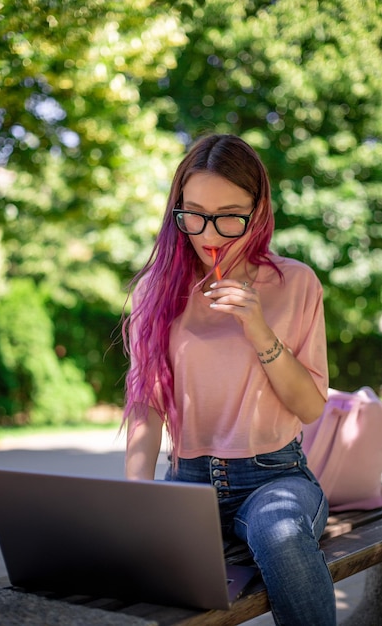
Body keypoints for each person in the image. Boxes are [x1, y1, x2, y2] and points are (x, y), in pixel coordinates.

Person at [122, 133, 336, 625]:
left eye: (230, 215)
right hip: (187, 480)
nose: (209, 233)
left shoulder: (295, 282)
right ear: (177, 208)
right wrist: (137, 494)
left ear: (259, 210)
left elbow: (310, 407)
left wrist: (258, 328)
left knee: (279, 534)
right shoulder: (155, 291)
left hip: (274, 478)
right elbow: (145, 405)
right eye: (193, 213)